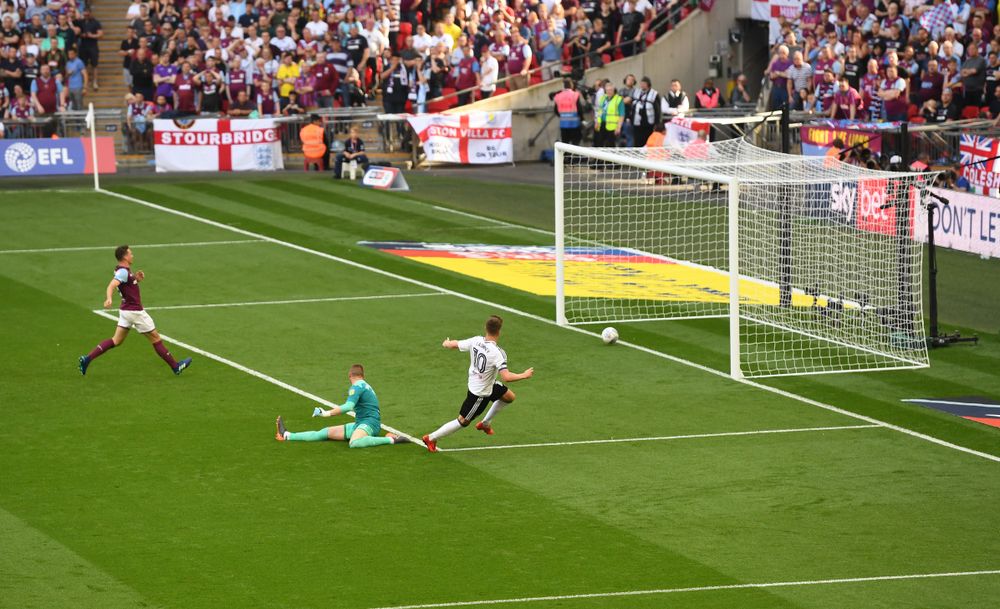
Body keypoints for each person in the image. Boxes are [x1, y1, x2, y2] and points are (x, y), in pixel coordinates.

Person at [422, 315, 533, 452]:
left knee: (509, 397)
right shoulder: (498, 353)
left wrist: (446, 343)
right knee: (463, 421)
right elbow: (507, 377)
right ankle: (431, 438)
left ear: (485, 328)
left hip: (487, 384)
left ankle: (485, 423)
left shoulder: (476, 340)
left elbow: (454, 344)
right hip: (480, 393)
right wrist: (524, 375)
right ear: (499, 332)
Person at [79, 246, 192, 376]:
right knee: (155, 338)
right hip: (135, 312)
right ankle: (176, 366)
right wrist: (108, 299)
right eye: (130, 253)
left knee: (116, 340)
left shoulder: (122, 271)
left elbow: (125, 284)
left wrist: (135, 279)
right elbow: (112, 285)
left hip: (125, 312)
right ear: (125, 257)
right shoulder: (123, 272)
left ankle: (87, 359)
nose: (132, 255)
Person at [275, 364, 411, 448]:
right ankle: (287, 435)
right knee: (323, 433)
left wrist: (325, 413)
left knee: (354, 443)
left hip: (369, 424)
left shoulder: (357, 387)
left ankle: (391, 439)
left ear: (349, 375)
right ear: (363, 375)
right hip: (362, 423)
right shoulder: (365, 385)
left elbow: (348, 407)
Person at [553, 78, 583, 146]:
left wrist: (562, 116)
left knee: (565, 144)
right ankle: (573, 156)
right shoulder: (575, 95)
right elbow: (579, 109)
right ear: (571, 85)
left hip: (563, 124)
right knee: (575, 143)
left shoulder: (558, 96)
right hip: (574, 124)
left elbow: (555, 110)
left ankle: (566, 156)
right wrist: (582, 119)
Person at [594, 80, 623, 147]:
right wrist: (597, 121)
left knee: (610, 145)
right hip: (602, 124)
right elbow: (600, 111)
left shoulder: (618, 99)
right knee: (599, 143)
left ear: (613, 90)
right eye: (607, 90)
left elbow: (622, 115)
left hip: (612, 126)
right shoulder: (603, 98)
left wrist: (618, 127)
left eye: (610, 90)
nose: (609, 92)